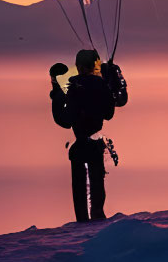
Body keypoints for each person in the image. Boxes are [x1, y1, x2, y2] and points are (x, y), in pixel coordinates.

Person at [51, 48, 117, 222]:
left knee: (80, 188)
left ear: (78, 66)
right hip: (95, 144)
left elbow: (64, 121)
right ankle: (97, 218)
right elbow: (109, 114)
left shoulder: (75, 88)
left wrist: (57, 94)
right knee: (97, 184)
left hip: (81, 146)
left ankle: (84, 223)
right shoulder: (102, 86)